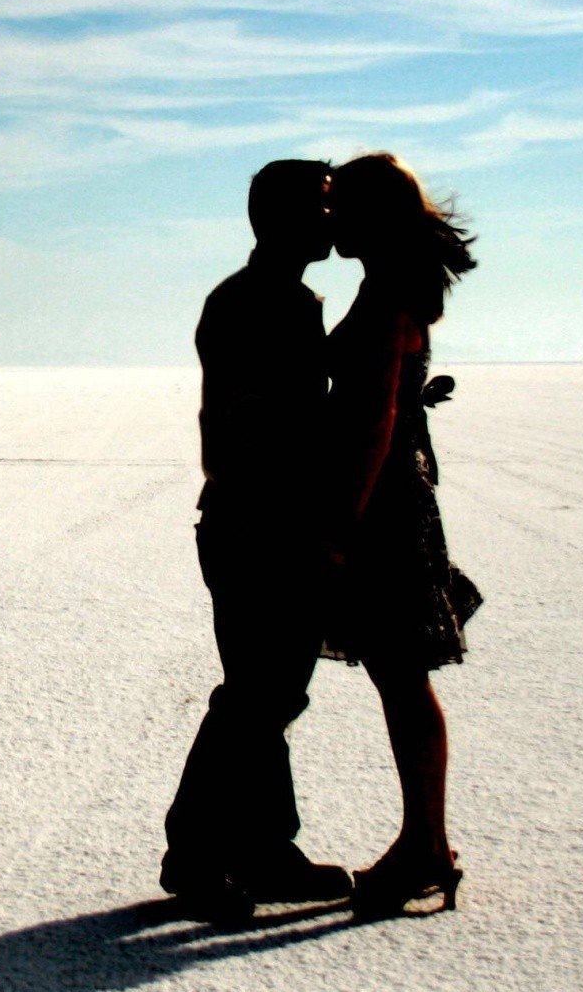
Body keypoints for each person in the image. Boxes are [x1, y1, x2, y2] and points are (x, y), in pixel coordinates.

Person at [160, 159, 354, 915]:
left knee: (271, 694)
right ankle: (196, 855)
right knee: (256, 695)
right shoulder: (255, 302)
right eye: (324, 206)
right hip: (257, 523)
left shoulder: (282, 298)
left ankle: (266, 848)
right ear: (284, 218)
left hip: (267, 518)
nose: (333, 221)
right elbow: (250, 423)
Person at [321, 152, 482, 916]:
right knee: (399, 675)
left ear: (370, 215)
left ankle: (425, 845)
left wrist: (342, 526)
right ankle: (426, 842)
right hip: (395, 496)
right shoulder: (388, 281)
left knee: (402, 674)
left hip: (384, 504)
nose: (329, 219)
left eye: (338, 206)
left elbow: (376, 421)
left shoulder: (387, 292)